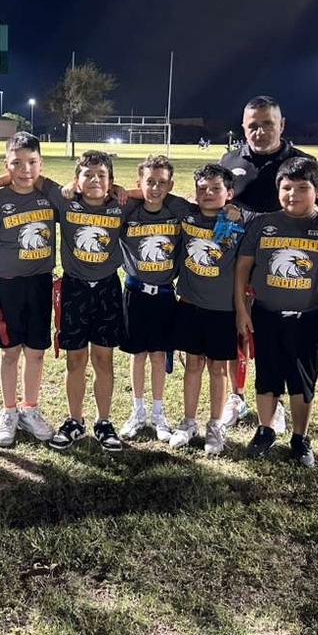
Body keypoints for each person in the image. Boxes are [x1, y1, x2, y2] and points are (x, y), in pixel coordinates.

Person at [220, 95, 318, 428]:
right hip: (237, 261)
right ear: (243, 127)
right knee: (239, 330)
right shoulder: (230, 159)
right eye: (252, 125)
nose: (259, 131)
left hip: (281, 267)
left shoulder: (302, 162)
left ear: (281, 125)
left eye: (267, 124)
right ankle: (237, 396)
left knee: (278, 338)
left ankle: (278, 402)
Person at [234, 157, 318, 467]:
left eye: (302, 188)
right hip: (266, 314)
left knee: (302, 381)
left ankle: (300, 436)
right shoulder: (263, 223)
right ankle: (265, 430)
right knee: (267, 377)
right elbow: (242, 270)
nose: (293, 194)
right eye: (286, 187)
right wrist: (242, 311)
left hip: (308, 318)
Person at [0, 133, 57, 447]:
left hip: (40, 283)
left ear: (41, 164)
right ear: (6, 164)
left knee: (36, 352)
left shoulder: (49, 197)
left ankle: (30, 409)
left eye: (32, 162)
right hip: (7, 286)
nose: (25, 169)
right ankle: (9, 411)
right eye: (17, 163)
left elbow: (84, 194)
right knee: (10, 352)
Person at [45, 151, 128, 452]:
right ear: (77, 181)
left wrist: (120, 190)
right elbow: (34, 181)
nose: (94, 180)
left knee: (104, 359)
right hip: (74, 288)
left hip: (107, 288)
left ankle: (104, 421)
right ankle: (75, 420)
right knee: (75, 359)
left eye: (101, 176)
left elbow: (152, 193)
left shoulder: (121, 206)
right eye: (87, 175)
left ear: (111, 181)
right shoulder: (65, 201)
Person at [169, 163, 252, 454]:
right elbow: (148, 194)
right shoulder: (186, 214)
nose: (208, 193)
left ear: (229, 193)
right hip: (190, 304)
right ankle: (188, 421)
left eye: (215, 188)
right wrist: (117, 191)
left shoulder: (240, 220)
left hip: (223, 310)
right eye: (202, 188)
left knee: (218, 369)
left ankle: (215, 425)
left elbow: (277, 219)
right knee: (192, 365)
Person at [116, 155, 188, 443]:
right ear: (139, 184)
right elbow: (110, 194)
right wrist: (124, 192)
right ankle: (138, 411)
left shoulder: (178, 208)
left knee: (159, 355)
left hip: (165, 294)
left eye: (161, 183)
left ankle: (158, 413)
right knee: (138, 355)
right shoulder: (128, 209)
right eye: (149, 182)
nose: (155, 188)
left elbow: (209, 208)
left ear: (170, 184)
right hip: (135, 291)